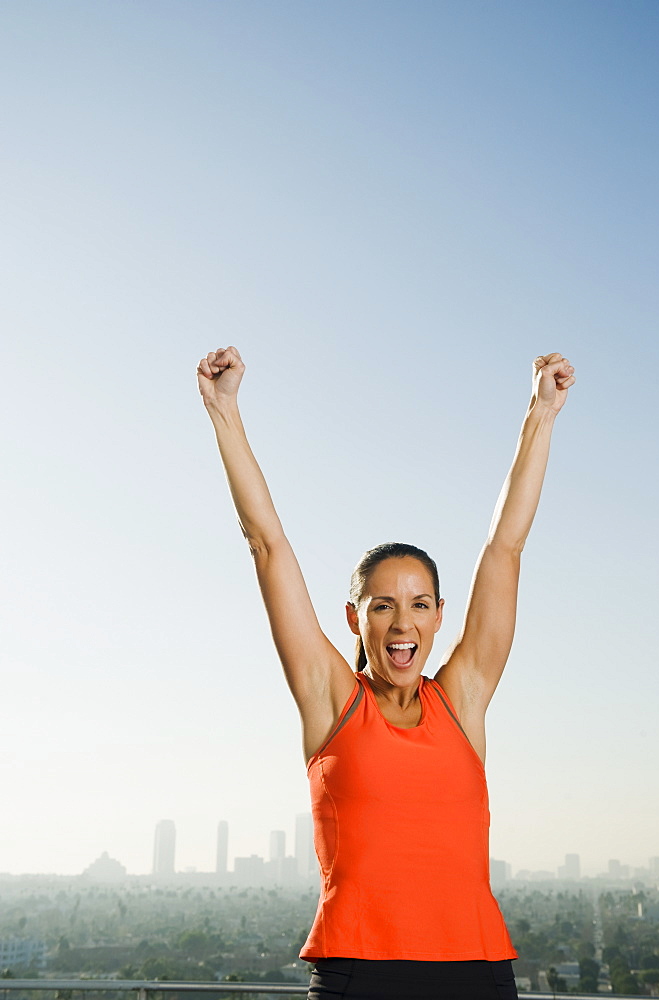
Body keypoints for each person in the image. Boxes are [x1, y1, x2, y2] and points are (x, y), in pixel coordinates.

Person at [197, 347, 576, 1000]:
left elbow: (504, 550)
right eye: (383, 605)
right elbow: (267, 544)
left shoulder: (463, 698)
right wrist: (224, 409)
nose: (403, 623)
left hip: (478, 974)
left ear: (438, 617)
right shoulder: (331, 702)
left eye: (419, 604)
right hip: (359, 973)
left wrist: (540, 413)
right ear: (354, 618)